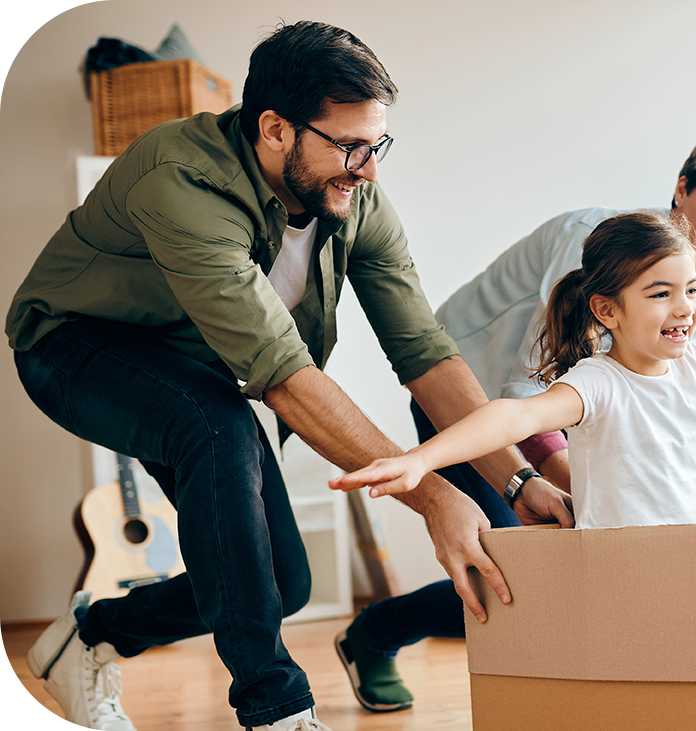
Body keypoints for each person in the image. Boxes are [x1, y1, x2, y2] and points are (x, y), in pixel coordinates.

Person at [7, 21, 571, 731]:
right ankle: (277, 709)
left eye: (377, 144)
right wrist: (430, 497)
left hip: (193, 368)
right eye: (349, 146)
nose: (368, 168)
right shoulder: (179, 178)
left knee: (282, 582)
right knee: (212, 420)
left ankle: (88, 637)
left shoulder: (354, 197)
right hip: (69, 343)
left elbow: (423, 351)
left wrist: (518, 482)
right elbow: (281, 374)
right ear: (274, 128)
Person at [332, 128, 696, 711]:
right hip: (471, 397)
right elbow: (536, 381)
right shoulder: (592, 243)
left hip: (557, 408)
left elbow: (667, 392)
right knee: (515, 574)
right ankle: (376, 633)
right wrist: (571, 477)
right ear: (682, 188)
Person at [330, 211, 696, 529]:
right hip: (617, 563)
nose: (685, 307)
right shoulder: (597, 383)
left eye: (691, 290)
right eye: (660, 294)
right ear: (607, 310)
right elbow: (510, 418)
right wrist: (420, 460)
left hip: (689, 553)